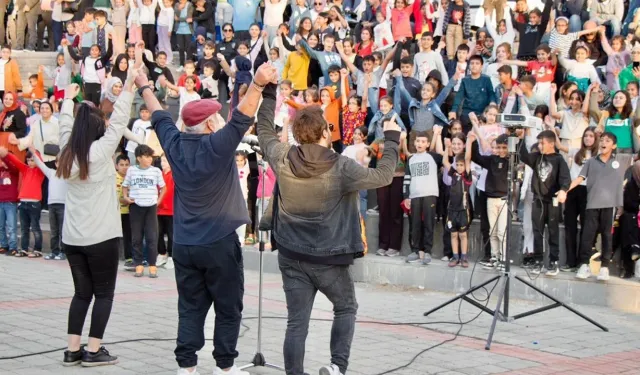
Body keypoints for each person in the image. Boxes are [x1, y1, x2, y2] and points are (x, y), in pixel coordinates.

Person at [256, 65, 402, 375]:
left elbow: (264, 130)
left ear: (297, 134)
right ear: (326, 132)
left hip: (291, 255)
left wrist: (269, 93)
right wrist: (390, 138)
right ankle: (337, 367)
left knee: (297, 321)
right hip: (329, 258)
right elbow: (384, 175)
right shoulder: (341, 166)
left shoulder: (282, 156)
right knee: (346, 307)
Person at [136, 59, 276, 375]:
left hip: (184, 243)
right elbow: (242, 117)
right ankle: (225, 367)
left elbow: (158, 114)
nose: (220, 121)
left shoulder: (174, 143)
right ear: (211, 124)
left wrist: (144, 84)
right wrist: (258, 82)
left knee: (190, 307)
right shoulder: (217, 145)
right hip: (219, 243)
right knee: (228, 306)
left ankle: (186, 367)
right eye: (216, 117)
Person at [56, 69, 135, 366]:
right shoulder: (100, 153)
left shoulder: (66, 153)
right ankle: (93, 350)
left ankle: (71, 350)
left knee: (81, 294)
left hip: (72, 238)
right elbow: (119, 121)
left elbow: (65, 125)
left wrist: (66, 100)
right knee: (103, 294)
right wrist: (129, 84)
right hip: (100, 237)